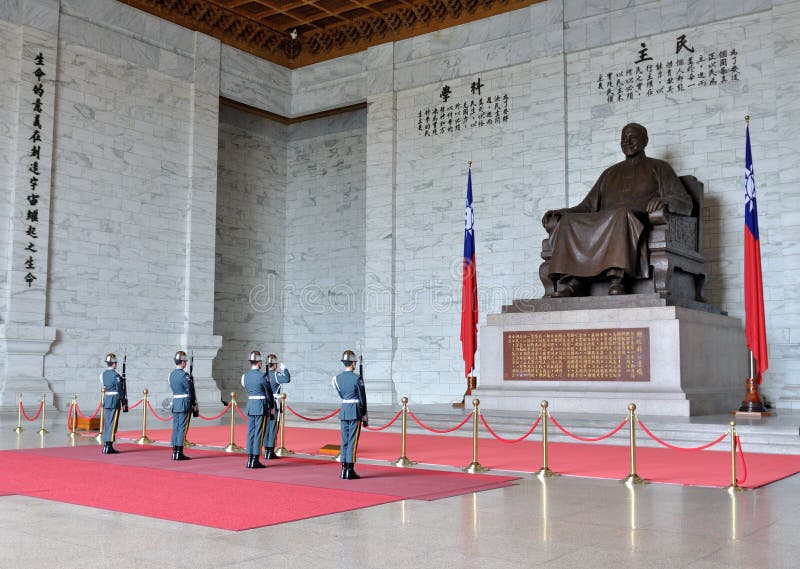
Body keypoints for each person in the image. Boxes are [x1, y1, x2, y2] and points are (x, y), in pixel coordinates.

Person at [541, 123, 693, 296]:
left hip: (633, 221)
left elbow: (685, 202)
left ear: (645, 141)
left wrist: (664, 200)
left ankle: (617, 280)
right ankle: (573, 281)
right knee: (568, 221)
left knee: (621, 214)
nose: (627, 142)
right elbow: (586, 206)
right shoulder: (610, 173)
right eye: (623, 138)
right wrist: (562, 212)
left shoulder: (659, 167)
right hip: (607, 221)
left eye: (632, 137)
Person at [332, 349, 368, 480]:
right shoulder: (357, 378)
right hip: (355, 411)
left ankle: (343, 469)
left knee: (344, 441)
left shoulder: (336, 379)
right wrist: (364, 414)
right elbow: (362, 398)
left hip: (344, 409)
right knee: (352, 441)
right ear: (352, 363)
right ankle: (350, 470)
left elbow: (341, 394)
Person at [241, 350, 276, 469]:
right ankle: (255, 459)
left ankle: (249, 459)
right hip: (261, 406)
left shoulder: (245, 376)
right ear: (259, 363)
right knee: (258, 433)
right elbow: (269, 392)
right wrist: (272, 406)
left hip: (251, 405)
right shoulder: (262, 377)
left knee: (250, 432)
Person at [263, 353, 291, 460]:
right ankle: (270, 452)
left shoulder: (264, 375)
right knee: (273, 427)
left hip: (265, 403)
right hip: (274, 403)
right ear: (274, 365)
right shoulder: (275, 375)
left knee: (266, 427)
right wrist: (285, 369)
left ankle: (266, 450)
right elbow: (287, 378)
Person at [168, 350, 193, 460]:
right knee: (182, 427)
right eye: (185, 361)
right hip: (184, 403)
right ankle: (179, 452)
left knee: (176, 427)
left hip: (176, 402)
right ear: (182, 362)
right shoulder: (184, 375)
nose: (186, 363)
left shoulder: (171, 374)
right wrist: (194, 403)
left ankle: (174, 452)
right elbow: (189, 389)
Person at [100, 353, 123, 454]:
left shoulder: (103, 374)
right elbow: (119, 389)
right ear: (114, 363)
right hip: (114, 400)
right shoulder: (116, 375)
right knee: (113, 423)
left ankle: (105, 444)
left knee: (107, 423)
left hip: (107, 399)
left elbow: (105, 385)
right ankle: (109, 446)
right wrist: (123, 400)